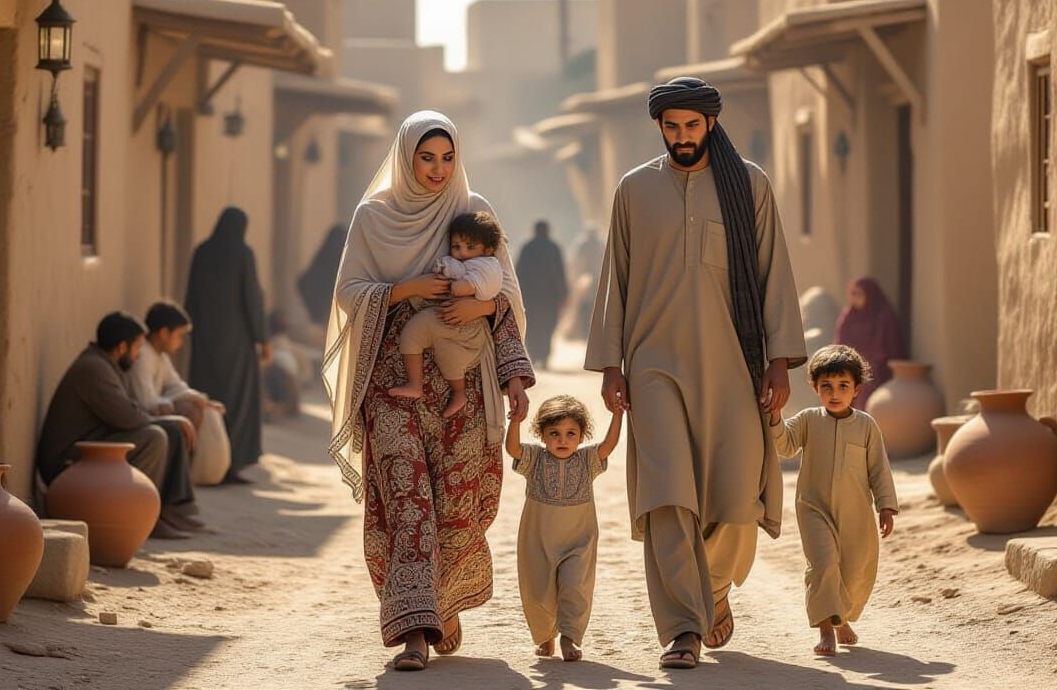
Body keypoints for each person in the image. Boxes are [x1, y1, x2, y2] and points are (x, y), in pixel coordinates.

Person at [585, 77, 808, 669]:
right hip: (653, 363)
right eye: (671, 126)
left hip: (734, 361)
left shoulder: (749, 185)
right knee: (666, 495)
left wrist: (780, 362)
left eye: (692, 125)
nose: (682, 137)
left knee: (737, 495)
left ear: (711, 123)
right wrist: (612, 365)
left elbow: (773, 274)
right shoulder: (634, 190)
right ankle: (683, 627)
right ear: (659, 127)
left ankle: (711, 588)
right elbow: (617, 277)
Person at [323, 111, 533, 672]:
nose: (438, 170)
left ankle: (438, 600)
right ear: (406, 156)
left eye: (446, 158)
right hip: (394, 380)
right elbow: (348, 292)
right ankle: (415, 630)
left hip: (465, 379)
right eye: (426, 157)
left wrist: (485, 316)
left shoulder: (473, 211)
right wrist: (404, 290)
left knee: (461, 502)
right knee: (407, 503)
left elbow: (507, 293)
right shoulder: (374, 216)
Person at [769, 344, 898, 656]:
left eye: (843, 386)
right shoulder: (808, 421)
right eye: (826, 386)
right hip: (814, 508)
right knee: (824, 564)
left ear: (856, 390)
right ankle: (826, 629)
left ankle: (841, 620)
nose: (834, 393)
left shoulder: (867, 426)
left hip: (856, 515)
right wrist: (774, 416)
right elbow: (784, 446)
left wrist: (886, 505)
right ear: (815, 388)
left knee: (853, 570)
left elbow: (879, 469)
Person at [37, 312, 203, 539]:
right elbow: (127, 417)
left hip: (89, 447)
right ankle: (141, 515)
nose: (137, 357)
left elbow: (128, 413)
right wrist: (168, 421)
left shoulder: (106, 365)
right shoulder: (93, 368)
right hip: (67, 463)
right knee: (155, 437)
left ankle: (167, 510)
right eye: (137, 348)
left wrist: (170, 422)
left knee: (169, 431)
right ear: (122, 347)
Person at [505, 394, 621, 663]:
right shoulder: (534, 459)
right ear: (542, 436)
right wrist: (516, 422)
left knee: (574, 587)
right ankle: (546, 636)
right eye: (554, 433)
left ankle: (569, 636)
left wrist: (618, 415)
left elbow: (608, 445)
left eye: (571, 434)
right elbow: (513, 450)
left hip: (578, 541)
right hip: (538, 541)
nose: (562, 440)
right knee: (538, 592)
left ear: (581, 437)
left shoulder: (586, 461)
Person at [389, 211, 506, 419]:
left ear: (487, 249)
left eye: (470, 247)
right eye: (456, 246)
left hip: (465, 324)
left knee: (425, 342)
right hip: (447, 321)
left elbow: (482, 287)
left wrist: (457, 287)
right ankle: (434, 388)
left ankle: (439, 389)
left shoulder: (488, 266)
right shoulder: (465, 262)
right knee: (431, 346)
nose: (461, 252)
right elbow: (450, 268)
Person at [185, 207, 270, 484]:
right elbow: (252, 300)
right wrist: (262, 339)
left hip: (205, 341)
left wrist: (191, 332)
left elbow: (191, 297)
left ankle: (202, 460)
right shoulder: (243, 254)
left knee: (207, 398)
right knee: (236, 400)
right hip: (237, 342)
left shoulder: (201, 252)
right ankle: (228, 464)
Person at [127, 301, 230, 483]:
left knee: (193, 406)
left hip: (154, 412)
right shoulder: (142, 355)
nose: (181, 343)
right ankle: (175, 475)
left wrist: (201, 399)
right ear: (164, 333)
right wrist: (191, 398)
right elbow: (146, 401)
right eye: (179, 336)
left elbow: (177, 385)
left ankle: (180, 474)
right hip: (139, 418)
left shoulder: (161, 357)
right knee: (188, 409)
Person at [834, 278, 905, 410]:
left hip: (879, 368)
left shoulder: (883, 315)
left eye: (859, 294)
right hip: (852, 364)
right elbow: (841, 343)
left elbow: (891, 346)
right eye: (852, 294)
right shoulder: (849, 315)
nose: (855, 299)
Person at [515, 220, 568, 369]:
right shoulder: (554, 248)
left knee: (532, 326)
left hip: (530, 297)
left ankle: (536, 355)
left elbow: (518, 274)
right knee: (547, 326)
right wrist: (564, 294)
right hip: (549, 298)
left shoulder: (527, 248)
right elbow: (561, 274)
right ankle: (543, 356)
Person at [297, 224, 348, 331]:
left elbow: (304, 282)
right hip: (329, 310)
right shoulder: (340, 258)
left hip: (326, 312)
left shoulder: (325, 255)